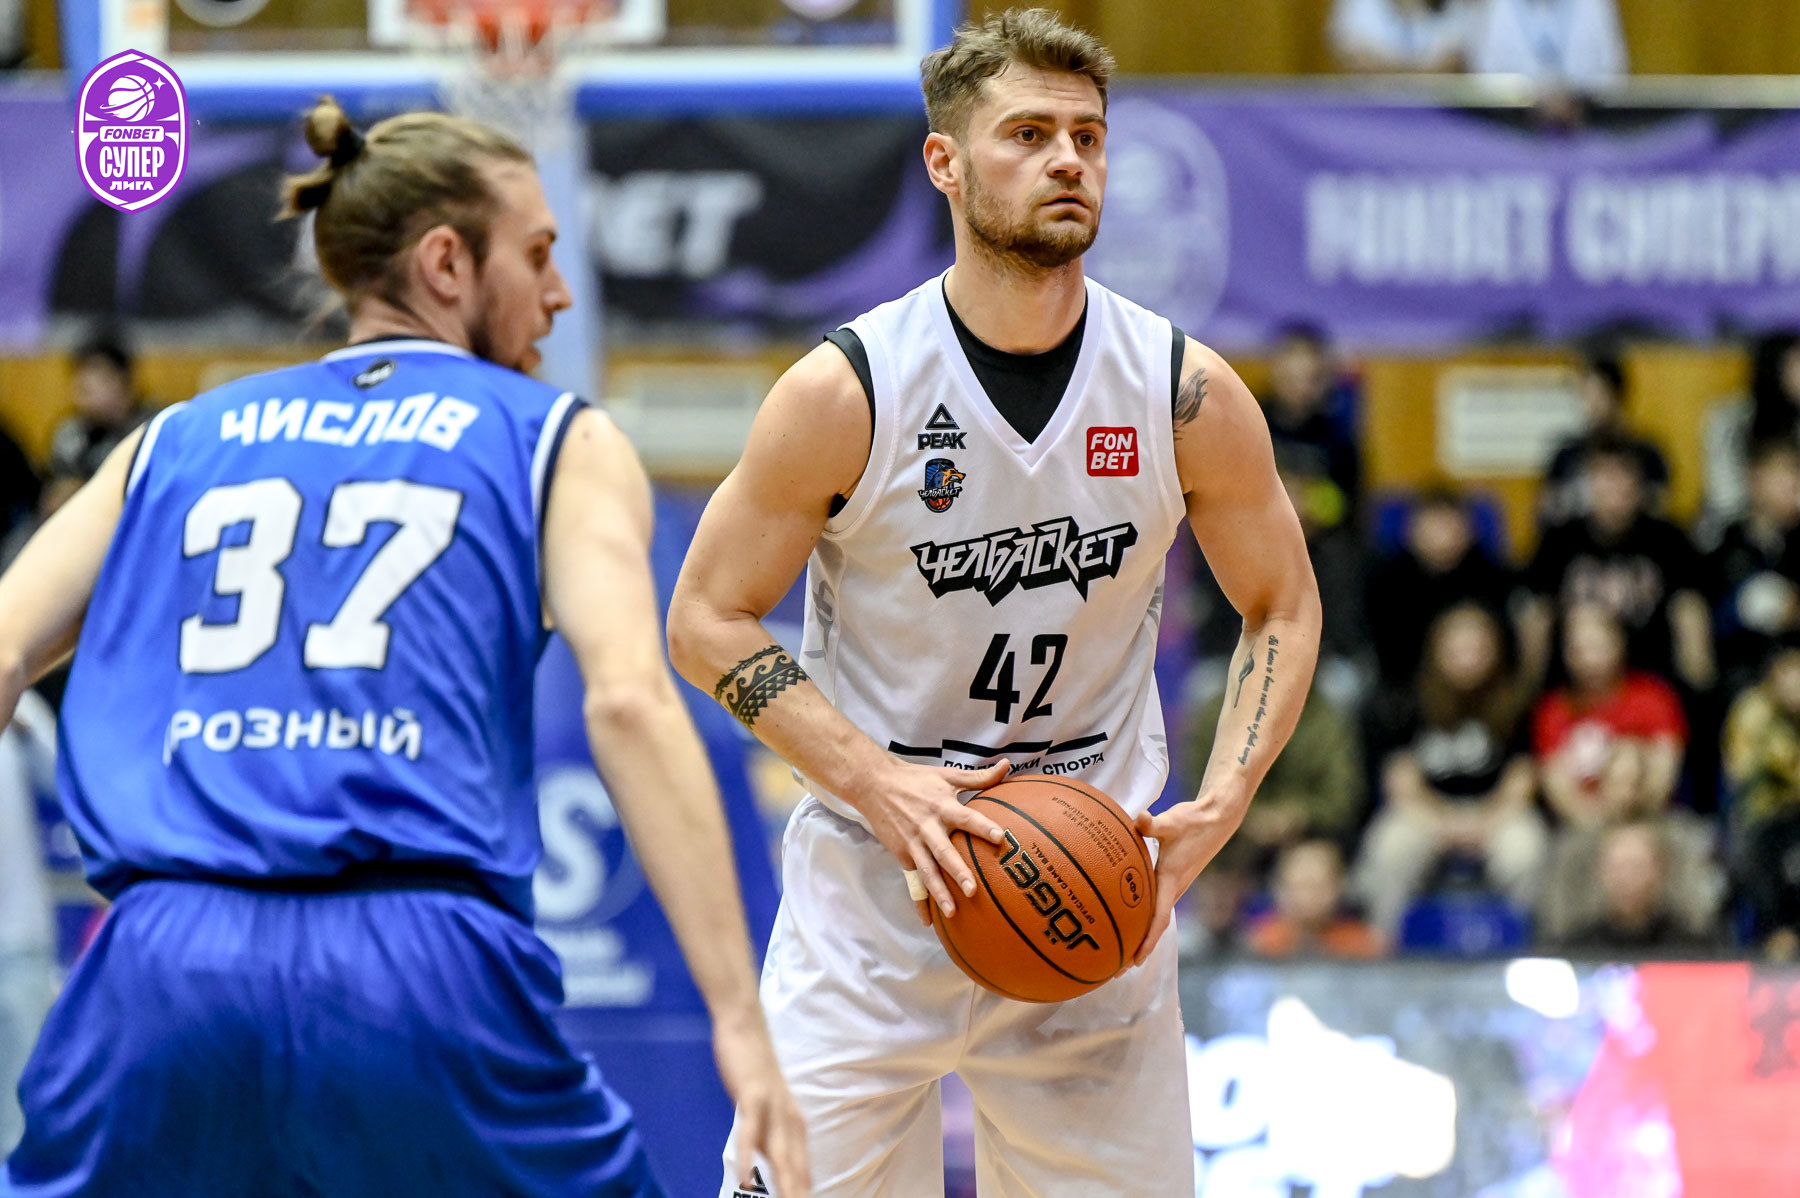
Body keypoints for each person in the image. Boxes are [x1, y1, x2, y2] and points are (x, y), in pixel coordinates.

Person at [0, 100, 805, 1198]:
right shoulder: (554, 436)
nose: (559, 294)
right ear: (445, 263)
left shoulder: (169, 440)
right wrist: (739, 1019)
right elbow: (626, 700)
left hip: (159, 967)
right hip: (414, 962)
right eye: (537, 255)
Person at [666, 10, 1322, 1194]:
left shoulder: (1183, 392)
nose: (1068, 159)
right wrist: (878, 780)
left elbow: (1281, 603)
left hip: (1092, 893)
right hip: (874, 895)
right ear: (946, 162)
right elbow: (704, 617)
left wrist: (1226, 797)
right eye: (1028, 134)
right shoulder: (847, 391)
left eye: (1088, 136)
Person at [1354, 602, 1546, 935]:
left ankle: (1528, 946)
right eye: (1458, 650)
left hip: (1497, 813)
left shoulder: (1514, 703)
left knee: (1526, 850)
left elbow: (1522, 780)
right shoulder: (1409, 702)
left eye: (1477, 649)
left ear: (1494, 652)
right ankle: (1383, 945)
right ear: (1437, 652)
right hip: (1427, 813)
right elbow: (1401, 781)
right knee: (1390, 847)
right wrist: (1445, 825)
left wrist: (1483, 823)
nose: (1468, 659)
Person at [1520, 436, 1713, 692]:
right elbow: (1537, 615)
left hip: (1651, 682)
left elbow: (1689, 610)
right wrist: (1528, 685)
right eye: (1604, 475)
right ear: (1587, 482)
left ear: (1640, 482)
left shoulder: (1669, 539)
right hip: (1573, 686)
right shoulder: (1559, 540)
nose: (1615, 486)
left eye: (1624, 474)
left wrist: (1699, 682)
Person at [1365, 485, 1516, 690]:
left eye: (1449, 526)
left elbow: (1505, 644)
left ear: (1468, 531)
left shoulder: (1490, 577)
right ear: (1411, 531)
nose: (1441, 538)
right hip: (1405, 685)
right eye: (1433, 527)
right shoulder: (1386, 581)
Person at [1721, 640, 1800, 957]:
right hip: (1765, 814)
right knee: (1756, 853)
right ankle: (1776, 935)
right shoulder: (1753, 709)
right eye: (1788, 672)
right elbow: (1739, 770)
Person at [1707, 438, 1800, 696]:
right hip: (1741, 680)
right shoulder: (1723, 545)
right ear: (1755, 478)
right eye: (1785, 474)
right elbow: (1707, 622)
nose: (1794, 485)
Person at [1539, 352, 1669, 529]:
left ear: (1615, 394)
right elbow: (1548, 514)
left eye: (1598, 393)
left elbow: (1658, 515)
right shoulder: (1566, 456)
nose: (1591, 403)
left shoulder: (1647, 454)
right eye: (1585, 394)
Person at [41, 329, 153, 518]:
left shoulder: (151, 428)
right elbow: (53, 496)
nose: (83, 386)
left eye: (96, 375)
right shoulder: (69, 433)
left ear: (122, 379)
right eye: (78, 377)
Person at [1246, 839, 1385, 960]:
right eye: (1299, 886)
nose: (1308, 897)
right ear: (1280, 889)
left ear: (1338, 887)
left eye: (1317, 887)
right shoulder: (1262, 944)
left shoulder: (1361, 945)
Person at [1465, 0, 1628, 89]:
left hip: (1586, 126)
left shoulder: (1598, 5)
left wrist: (1574, 101)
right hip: (1511, 128)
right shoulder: (1492, 7)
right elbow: (1483, 80)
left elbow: (1615, 74)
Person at [1329, 0, 1471, 73]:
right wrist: (1417, 77)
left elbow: (1453, 60)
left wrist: (1397, 75)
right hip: (1369, 107)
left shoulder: (1452, 6)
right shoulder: (1360, 5)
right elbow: (1357, 57)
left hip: (1437, 110)